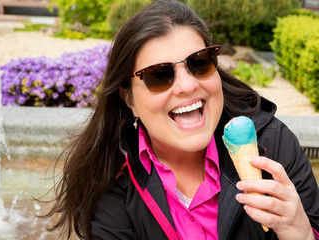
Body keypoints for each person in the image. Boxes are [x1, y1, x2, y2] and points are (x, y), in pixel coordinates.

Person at [43, 0, 319, 239]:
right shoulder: (110, 187)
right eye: (158, 75)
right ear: (129, 100)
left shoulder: (273, 144)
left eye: (199, 62)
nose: (186, 86)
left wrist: (301, 233)